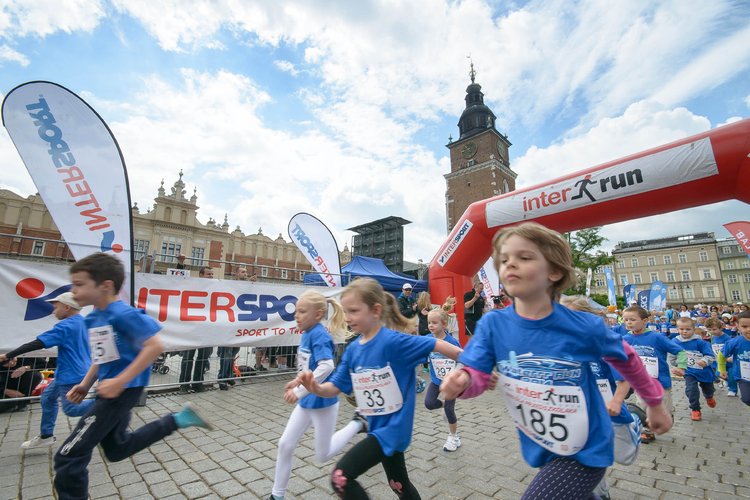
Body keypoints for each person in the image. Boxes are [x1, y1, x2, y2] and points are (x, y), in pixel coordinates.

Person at [440, 223, 671, 500]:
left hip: (586, 447)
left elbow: (628, 360)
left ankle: (630, 423)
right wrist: (463, 381)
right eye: (504, 260)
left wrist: (655, 404)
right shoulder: (493, 324)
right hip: (541, 444)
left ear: (554, 272)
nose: (510, 264)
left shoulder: (583, 326)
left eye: (524, 257)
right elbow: (477, 372)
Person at [53, 253, 212, 500]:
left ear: (105, 286)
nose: (74, 291)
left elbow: (155, 346)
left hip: (122, 392)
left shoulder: (123, 314)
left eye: (80, 284)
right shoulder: (95, 317)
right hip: (109, 390)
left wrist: (120, 380)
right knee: (117, 449)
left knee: (68, 455)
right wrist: (85, 384)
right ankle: (178, 419)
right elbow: (102, 356)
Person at [299, 277, 463, 499]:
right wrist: (315, 388)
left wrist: (470, 366)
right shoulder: (353, 350)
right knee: (399, 484)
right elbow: (334, 387)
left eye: (354, 311)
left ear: (375, 310)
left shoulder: (394, 342)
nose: (347, 318)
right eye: (346, 312)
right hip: (377, 427)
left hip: (393, 431)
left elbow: (438, 344)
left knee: (340, 477)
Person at [270, 290, 363, 500]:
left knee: (323, 454)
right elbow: (307, 368)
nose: (297, 316)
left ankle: (357, 423)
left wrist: (300, 391)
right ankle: (277, 495)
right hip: (306, 403)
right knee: (285, 444)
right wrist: (297, 381)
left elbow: (326, 366)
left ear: (318, 314)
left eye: (302, 311)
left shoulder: (319, 334)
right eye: (296, 311)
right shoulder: (306, 333)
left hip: (323, 403)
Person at [560, 295, 642, 500]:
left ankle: (636, 419)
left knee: (624, 457)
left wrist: (616, 401)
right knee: (587, 457)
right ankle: (599, 493)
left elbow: (624, 378)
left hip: (611, 408)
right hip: (580, 414)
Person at [0, 292, 93, 449]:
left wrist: (8, 355)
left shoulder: (65, 326)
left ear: (67, 307)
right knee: (48, 398)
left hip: (70, 374)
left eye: (55, 307)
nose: (53, 311)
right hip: (73, 371)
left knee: (71, 409)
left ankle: (111, 403)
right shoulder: (82, 322)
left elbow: (38, 343)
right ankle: (46, 435)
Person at [621, 305, 686, 443]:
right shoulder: (625, 339)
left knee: (664, 411)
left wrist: (681, 367)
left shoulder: (657, 337)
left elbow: (680, 351)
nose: (628, 323)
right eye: (625, 320)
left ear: (645, 321)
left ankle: (667, 415)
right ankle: (648, 431)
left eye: (632, 319)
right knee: (644, 406)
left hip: (661, 382)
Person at [423, 308, 462, 452]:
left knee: (449, 410)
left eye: (434, 322)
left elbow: (462, 359)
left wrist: (457, 375)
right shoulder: (427, 339)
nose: (431, 325)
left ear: (444, 324)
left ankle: (454, 437)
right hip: (436, 380)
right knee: (429, 403)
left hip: (451, 383)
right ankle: (444, 405)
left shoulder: (452, 342)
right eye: (429, 322)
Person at [670, 317, 716, 421]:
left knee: (708, 388)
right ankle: (695, 409)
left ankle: (709, 396)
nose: (684, 331)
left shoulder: (701, 342)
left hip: (703, 371)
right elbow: (672, 358)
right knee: (691, 390)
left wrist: (704, 361)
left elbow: (710, 355)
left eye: (687, 329)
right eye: (681, 329)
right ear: (677, 329)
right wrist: (677, 366)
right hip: (689, 371)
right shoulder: (675, 342)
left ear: (694, 329)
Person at [179, 266, 215, 393]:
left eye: (212, 274)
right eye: (208, 274)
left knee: (203, 357)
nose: (210, 276)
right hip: (191, 327)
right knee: (188, 357)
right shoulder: (192, 286)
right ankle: (184, 384)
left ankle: (198, 383)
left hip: (207, 328)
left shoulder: (215, 288)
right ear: (201, 275)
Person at [719, 310, 750, 406]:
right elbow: (722, 355)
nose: (749, 329)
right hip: (743, 377)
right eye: (745, 327)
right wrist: (722, 369)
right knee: (746, 398)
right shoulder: (734, 342)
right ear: (738, 326)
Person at [707, 318, 737, 396]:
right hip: (719, 361)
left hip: (729, 362)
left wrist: (732, 357)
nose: (712, 331)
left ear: (721, 328)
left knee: (731, 376)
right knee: (718, 373)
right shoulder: (713, 338)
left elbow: (733, 348)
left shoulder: (727, 338)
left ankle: (732, 390)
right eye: (709, 330)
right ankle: (726, 380)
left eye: (714, 329)